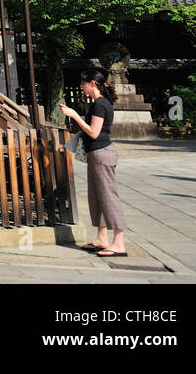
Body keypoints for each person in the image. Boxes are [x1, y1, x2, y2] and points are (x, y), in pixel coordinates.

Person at [60, 69, 126, 257]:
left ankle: (119, 242)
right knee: (96, 196)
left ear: (93, 84)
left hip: (101, 153)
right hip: (96, 154)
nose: (81, 87)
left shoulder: (99, 104)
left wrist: (73, 115)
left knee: (108, 197)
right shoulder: (99, 103)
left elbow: (94, 132)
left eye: (83, 83)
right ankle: (102, 238)